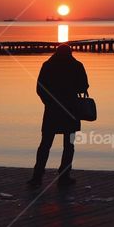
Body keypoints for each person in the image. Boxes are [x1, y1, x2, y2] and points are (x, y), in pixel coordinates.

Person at [28, 44, 89, 187]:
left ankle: (37, 175)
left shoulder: (48, 65)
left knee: (45, 144)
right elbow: (83, 86)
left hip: (52, 109)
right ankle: (64, 176)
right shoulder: (77, 65)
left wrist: (48, 102)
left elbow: (40, 88)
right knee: (69, 144)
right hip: (71, 109)